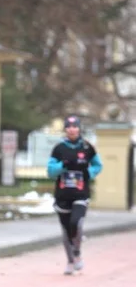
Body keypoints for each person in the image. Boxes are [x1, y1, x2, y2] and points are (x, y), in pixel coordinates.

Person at [47, 115, 103, 275]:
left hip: (81, 193)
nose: (72, 129)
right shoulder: (59, 149)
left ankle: (77, 253)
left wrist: (88, 173)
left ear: (79, 129)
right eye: (69, 126)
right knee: (66, 230)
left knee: (76, 223)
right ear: (65, 129)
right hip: (63, 194)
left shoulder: (87, 148)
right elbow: (50, 171)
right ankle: (70, 261)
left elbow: (98, 165)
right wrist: (62, 166)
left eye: (75, 126)